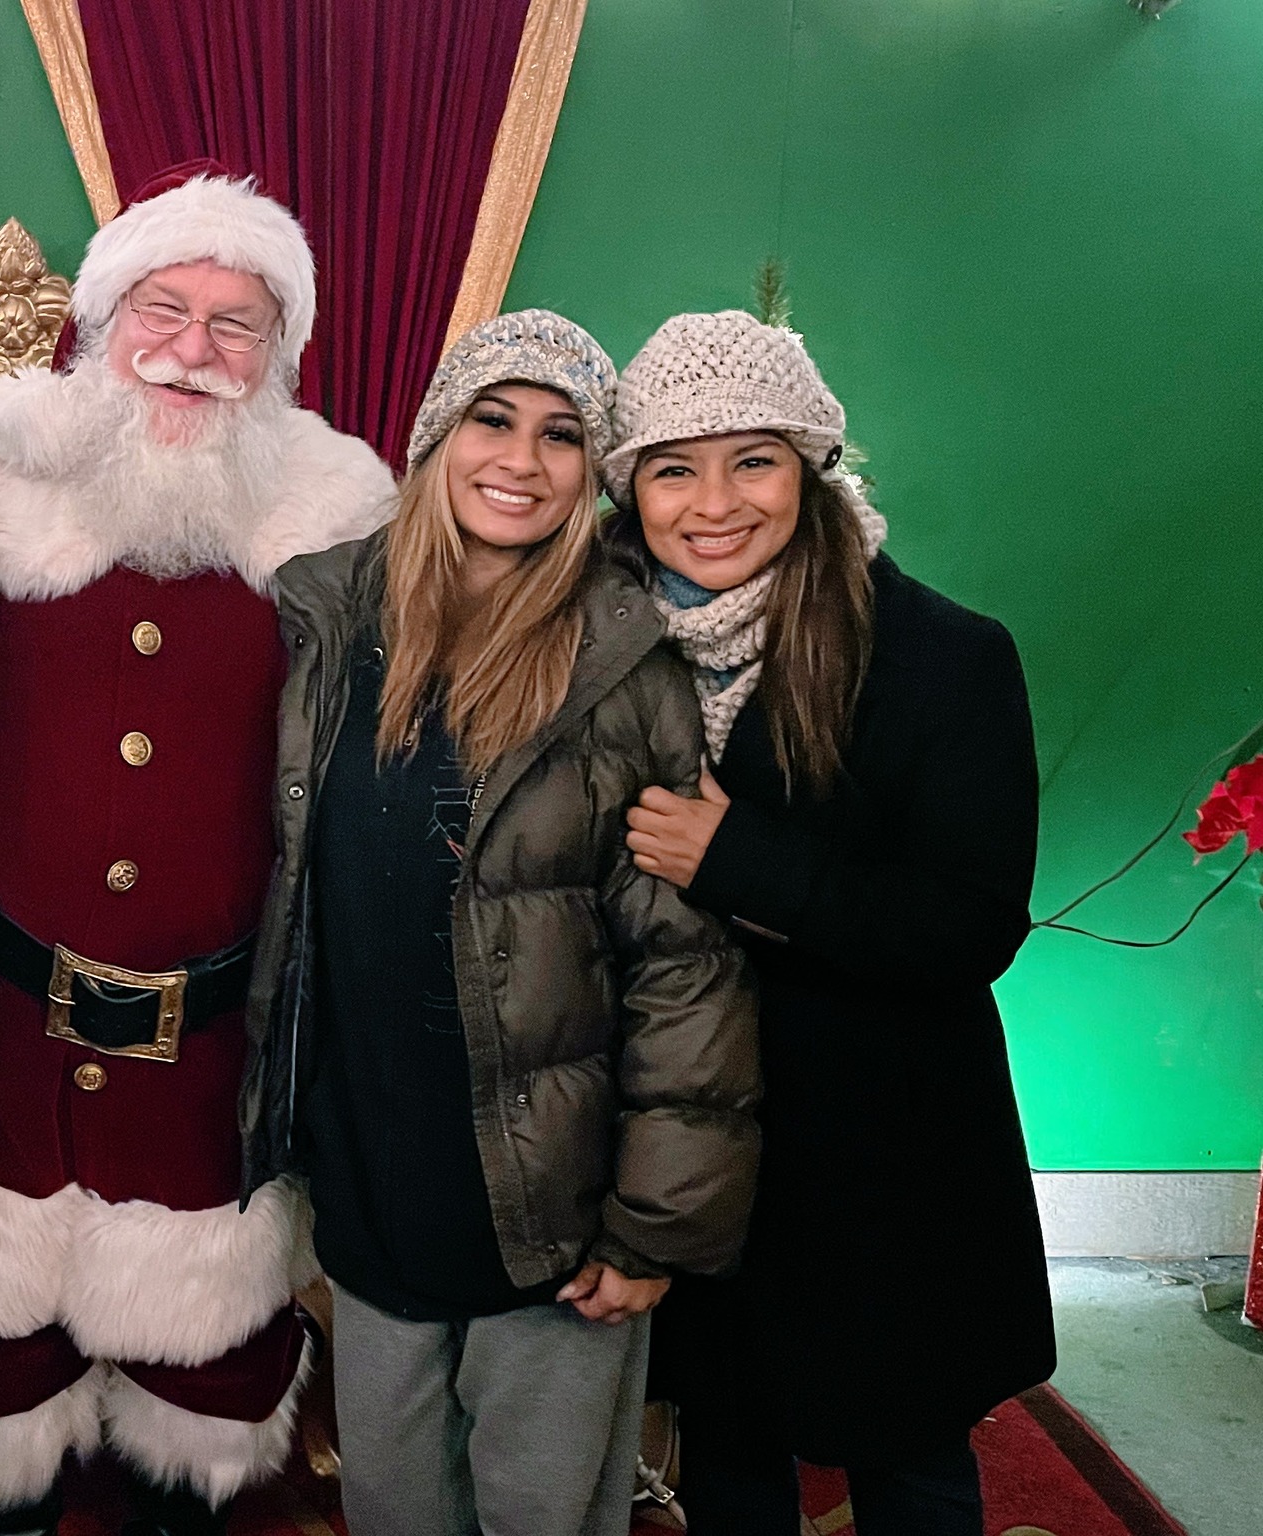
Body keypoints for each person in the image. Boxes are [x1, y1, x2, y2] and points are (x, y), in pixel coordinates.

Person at [0, 168, 395, 1536]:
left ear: (282, 356)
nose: (193, 352)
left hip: (218, 1039)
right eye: (162, 311)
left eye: (239, 326)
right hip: (2, 1030)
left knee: (203, 1406)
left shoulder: (342, 519)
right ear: (97, 324)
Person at [238, 310, 763, 1536]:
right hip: (371, 1178)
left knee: (537, 1514)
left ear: (593, 473)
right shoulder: (326, 622)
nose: (520, 460)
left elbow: (684, 968)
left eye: (562, 435)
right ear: (435, 439)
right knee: (392, 1504)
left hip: (549, 1210)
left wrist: (651, 1226)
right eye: (492, 418)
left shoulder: (624, 662)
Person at [606, 310, 1055, 1536]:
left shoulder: (943, 655)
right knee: (730, 1459)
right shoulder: (598, 646)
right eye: (670, 466)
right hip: (696, 1153)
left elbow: (967, 926)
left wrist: (738, 860)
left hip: (883, 1164)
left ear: (809, 468)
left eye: (751, 459)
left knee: (904, 1467)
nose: (712, 503)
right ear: (627, 485)